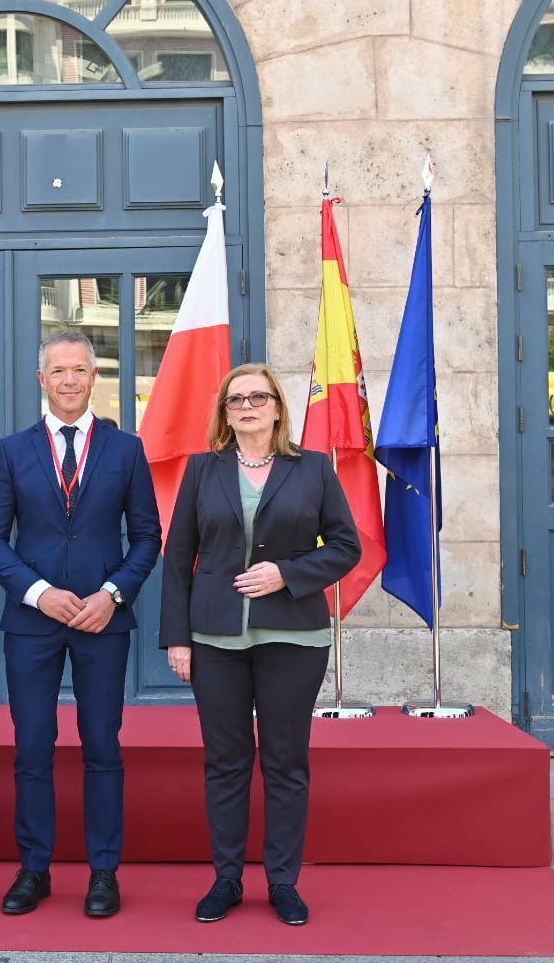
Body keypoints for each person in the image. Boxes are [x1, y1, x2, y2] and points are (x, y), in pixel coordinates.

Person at [160, 363, 361, 927]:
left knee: (285, 762)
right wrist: (176, 638)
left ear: (277, 407)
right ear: (224, 413)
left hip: (294, 636)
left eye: (258, 397)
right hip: (214, 638)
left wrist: (287, 574)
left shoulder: (313, 469)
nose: (246, 406)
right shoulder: (203, 470)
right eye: (235, 400)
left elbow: (347, 547)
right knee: (225, 763)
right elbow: (178, 560)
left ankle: (282, 882)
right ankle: (226, 879)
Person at [0, 329, 161, 918]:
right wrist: (37, 592)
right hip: (33, 622)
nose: (69, 380)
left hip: (103, 622)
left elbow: (147, 537)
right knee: (33, 748)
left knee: (102, 748)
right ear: (41, 379)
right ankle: (35, 868)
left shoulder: (126, 450)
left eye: (80, 370)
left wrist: (112, 594)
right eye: (58, 371)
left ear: (93, 377)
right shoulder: (11, 450)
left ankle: (104, 871)